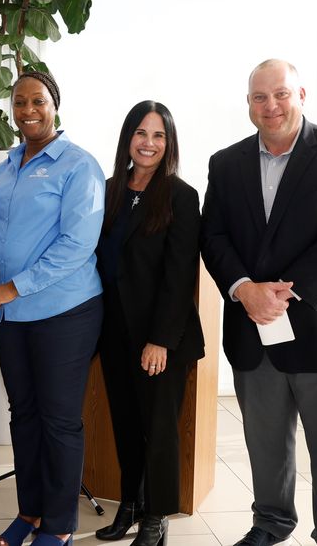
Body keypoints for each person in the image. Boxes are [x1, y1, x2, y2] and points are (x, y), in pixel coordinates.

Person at [201, 59, 317, 546]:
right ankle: (270, 523)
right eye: (260, 97)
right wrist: (244, 288)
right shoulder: (226, 163)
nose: (271, 105)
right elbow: (213, 235)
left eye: (281, 94)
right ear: (248, 104)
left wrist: (281, 291)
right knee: (264, 443)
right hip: (253, 326)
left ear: (302, 95)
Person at [0, 71, 105, 546]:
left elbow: (77, 244)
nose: (28, 110)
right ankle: (30, 512)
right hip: (11, 318)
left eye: (38, 101)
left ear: (55, 105)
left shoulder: (79, 165)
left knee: (59, 420)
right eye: (19, 102)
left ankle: (59, 525)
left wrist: (11, 287)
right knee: (24, 414)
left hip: (64, 314)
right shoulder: (6, 167)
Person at [93, 101, 204, 546]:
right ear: (128, 138)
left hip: (160, 337)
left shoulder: (181, 196)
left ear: (169, 143)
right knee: (125, 424)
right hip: (114, 332)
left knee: (158, 430)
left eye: (159, 135)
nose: (149, 143)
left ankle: (156, 518)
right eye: (141, 133)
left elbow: (180, 276)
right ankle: (131, 505)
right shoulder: (109, 190)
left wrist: (160, 340)